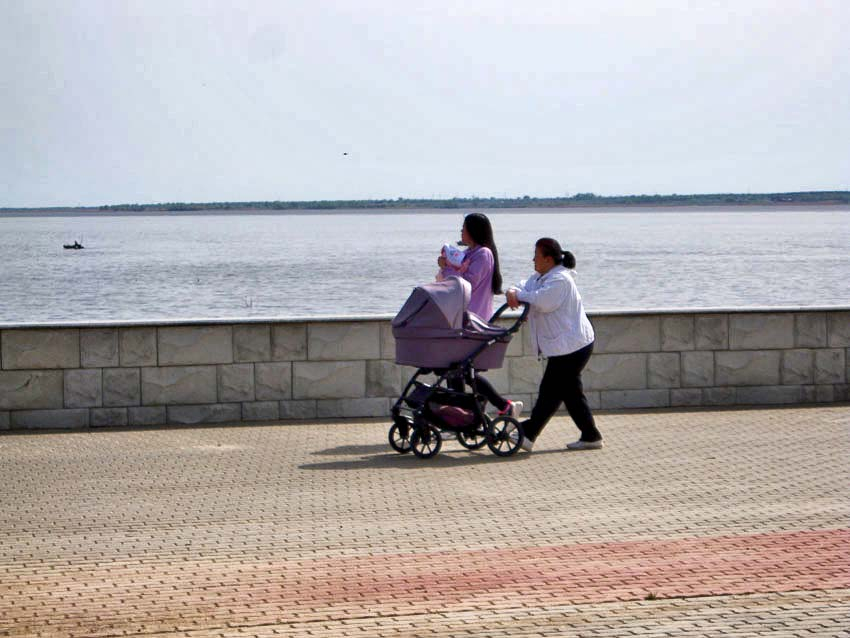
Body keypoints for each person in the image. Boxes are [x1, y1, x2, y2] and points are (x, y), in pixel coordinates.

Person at [506, 238, 602, 451]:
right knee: (571, 393)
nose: (533, 259)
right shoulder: (540, 278)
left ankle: (528, 434)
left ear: (548, 259)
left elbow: (543, 302)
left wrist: (518, 296)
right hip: (563, 346)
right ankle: (591, 435)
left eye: (536, 256)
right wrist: (513, 291)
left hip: (574, 346)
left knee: (549, 391)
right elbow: (523, 286)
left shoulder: (560, 280)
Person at [437, 213, 522, 418]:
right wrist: (447, 265)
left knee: (459, 369)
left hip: (473, 320)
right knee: (457, 369)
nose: (461, 231)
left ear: (473, 230)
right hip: (462, 318)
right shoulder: (470, 254)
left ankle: (467, 412)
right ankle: (477, 410)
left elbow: (467, 282)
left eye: (464, 227)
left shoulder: (483, 254)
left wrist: (447, 268)